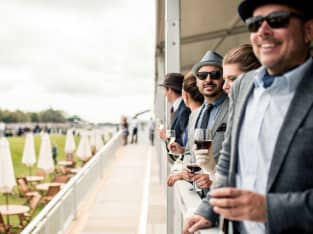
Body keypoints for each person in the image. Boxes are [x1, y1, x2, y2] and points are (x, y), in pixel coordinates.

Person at [184, 1, 313, 234]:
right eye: (254, 24)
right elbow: (227, 159)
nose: (263, 31)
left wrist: (269, 209)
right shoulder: (244, 85)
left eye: (277, 20)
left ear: (308, 30)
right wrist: (209, 208)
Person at [167, 71, 204, 186]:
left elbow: (201, 160)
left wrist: (182, 174)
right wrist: (183, 150)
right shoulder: (196, 116)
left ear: (185, 96)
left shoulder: (198, 119)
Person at [158, 73, 191, 161]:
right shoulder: (178, 108)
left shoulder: (184, 110)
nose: (164, 94)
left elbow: (186, 140)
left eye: (165, 90)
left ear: (170, 90)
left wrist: (166, 137)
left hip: (183, 162)